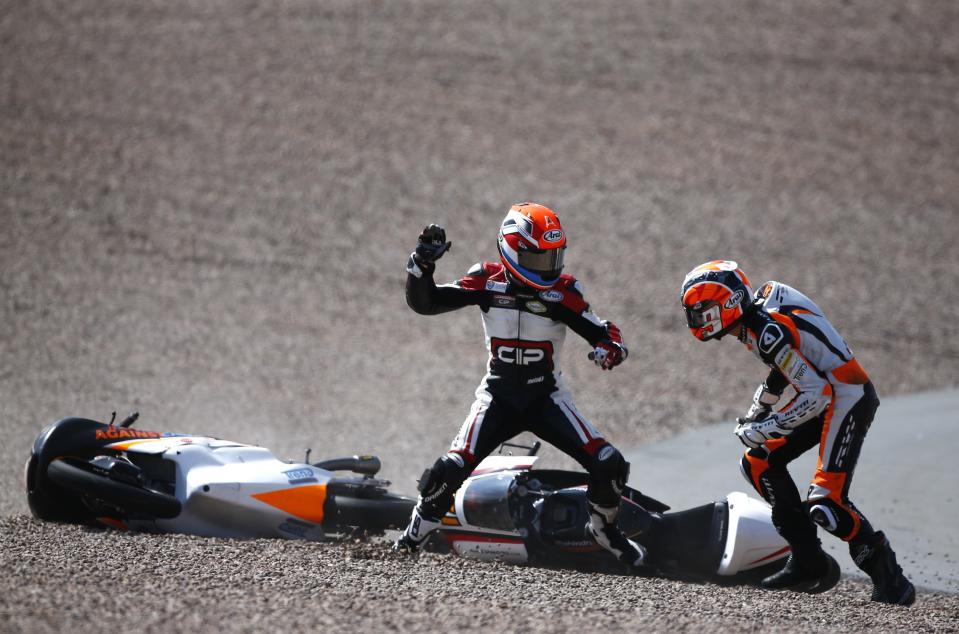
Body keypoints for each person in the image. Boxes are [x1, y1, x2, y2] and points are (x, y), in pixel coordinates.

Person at [394, 202, 645, 568]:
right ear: (512, 250)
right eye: (539, 259)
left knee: (610, 464)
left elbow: (605, 334)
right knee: (445, 472)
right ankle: (412, 536)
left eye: (553, 258)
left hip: (547, 397)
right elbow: (426, 303)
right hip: (497, 397)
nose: (550, 268)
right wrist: (421, 263)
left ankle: (603, 531)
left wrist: (610, 351)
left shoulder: (563, 291)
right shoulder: (485, 279)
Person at [679, 260, 915, 605]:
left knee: (826, 504)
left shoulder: (765, 328)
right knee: (758, 463)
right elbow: (786, 365)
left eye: (702, 311)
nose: (696, 320)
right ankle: (808, 561)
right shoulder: (756, 320)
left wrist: (765, 426)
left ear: (728, 305)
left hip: (847, 397)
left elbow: (816, 393)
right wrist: (758, 409)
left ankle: (892, 581)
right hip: (830, 395)